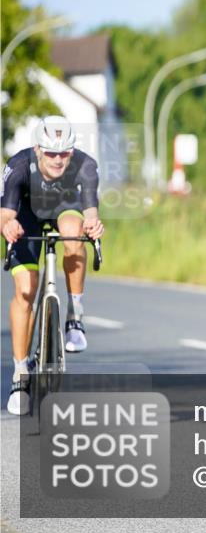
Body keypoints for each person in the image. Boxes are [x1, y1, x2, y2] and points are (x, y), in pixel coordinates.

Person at [2, 116, 104, 414]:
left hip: (65, 210)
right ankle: (20, 373)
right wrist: (8, 227)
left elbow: (91, 213)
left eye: (64, 152)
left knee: (75, 232)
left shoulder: (85, 165)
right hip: (26, 217)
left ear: (72, 151)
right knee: (26, 290)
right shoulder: (19, 165)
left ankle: (74, 313)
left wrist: (94, 226)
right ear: (37, 150)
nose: (58, 159)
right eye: (51, 153)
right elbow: (5, 214)